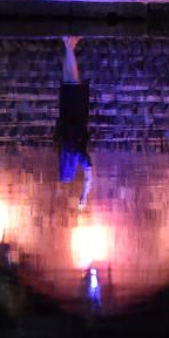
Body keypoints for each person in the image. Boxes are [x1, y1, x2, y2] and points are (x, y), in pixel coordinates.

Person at [56, 35, 92, 208]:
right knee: (67, 80)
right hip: (65, 113)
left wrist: (84, 197)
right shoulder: (63, 146)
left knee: (73, 79)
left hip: (77, 114)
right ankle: (68, 44)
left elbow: (89, 178)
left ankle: (69, 44)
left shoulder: (78, 153)